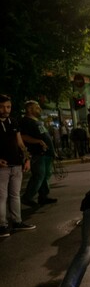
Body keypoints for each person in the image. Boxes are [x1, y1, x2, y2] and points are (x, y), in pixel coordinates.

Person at [0, 94, 35, 237]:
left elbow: (20, 143)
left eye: (8, 106)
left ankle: (17, 221)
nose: (5, 109)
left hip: (16, 164)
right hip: (2, 166)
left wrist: (27, 158)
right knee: (1, 196)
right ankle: (2, 225)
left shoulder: (13, 122)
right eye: (2, 106)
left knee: (15, 195)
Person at [19, 100, 58, 207]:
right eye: (37, 108)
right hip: (37, 153)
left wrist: (52, 151)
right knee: (39, 175)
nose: (39, 109)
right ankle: (27, 197)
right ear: (29, 109)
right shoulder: (25, 121)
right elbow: (23, 136)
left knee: (46, 175)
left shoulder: (38, 121)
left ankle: (43, 196)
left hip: (46, 153)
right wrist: (38, 142)